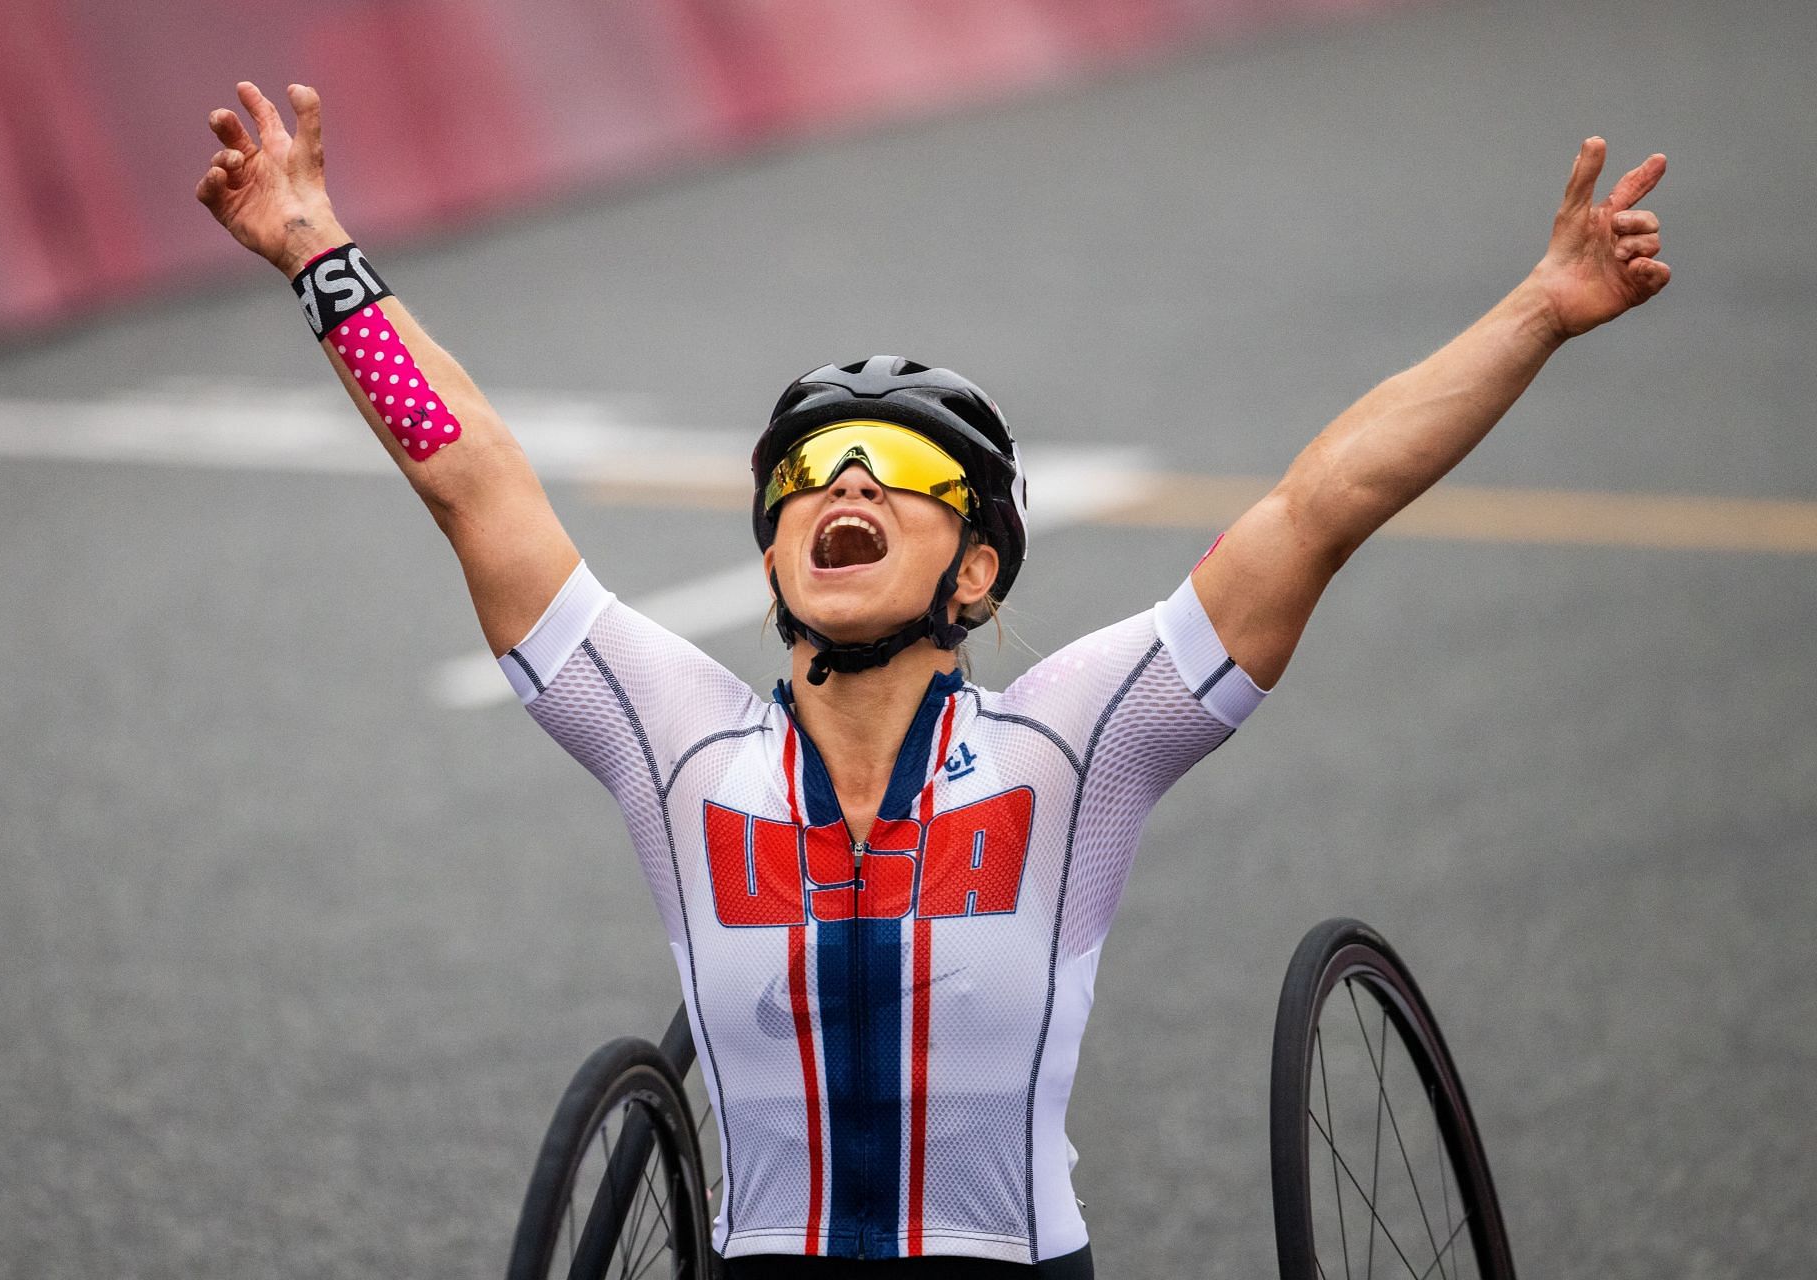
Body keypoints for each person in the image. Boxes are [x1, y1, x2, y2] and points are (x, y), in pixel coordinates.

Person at [195, 81, 1669, 1277]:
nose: (844, 478)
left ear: (977, 571)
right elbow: (478, 485)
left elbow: (1321, 504)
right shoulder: (678, 745)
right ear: (774, 547)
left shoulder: (1075, 742)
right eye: (806, 471)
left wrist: (1538, 310)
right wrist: (323, 255)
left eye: (901, 469)